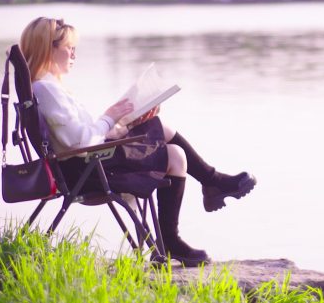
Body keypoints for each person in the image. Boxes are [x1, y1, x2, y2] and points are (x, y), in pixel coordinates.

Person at [19, 17, 257, 266]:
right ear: (49, 49)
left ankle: (182, 224)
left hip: (88, 163)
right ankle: (208, 188)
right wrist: (110, 117)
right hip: (85, 171)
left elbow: (79, 136)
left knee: (172, 149)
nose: (74, 55)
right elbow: (80, 143)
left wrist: (119, 126)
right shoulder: (47, 90)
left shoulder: (48, 87)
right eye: (69, 48)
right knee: (166, 140)